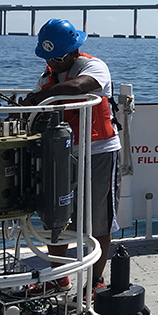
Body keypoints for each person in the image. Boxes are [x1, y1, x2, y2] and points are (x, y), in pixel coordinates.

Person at [20, 19, 120, 294]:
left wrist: (43, 95)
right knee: (56, 216)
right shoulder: (45, 79)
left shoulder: (94, 67)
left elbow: (79, 88)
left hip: (99, 151)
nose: (52, 62)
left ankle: (96, 279)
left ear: (74, 51)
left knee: (99, 219)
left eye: (58, 57)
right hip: (60, 156)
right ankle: (58, 277)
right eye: (47, 57)